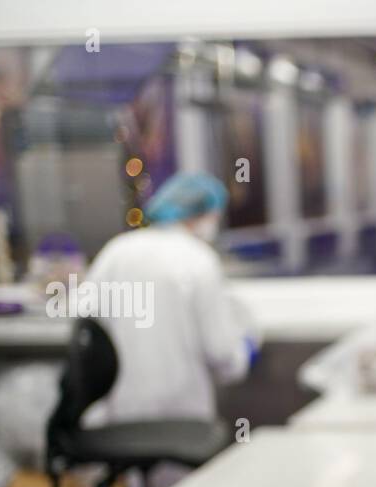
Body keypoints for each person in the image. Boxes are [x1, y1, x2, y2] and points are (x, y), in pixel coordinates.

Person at [82, 170, 254, 428]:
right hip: (179, 416)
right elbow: (222, 355)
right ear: (203, 214)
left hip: (115, 416)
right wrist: (246, 350)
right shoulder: (199, 260)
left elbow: (82, 317)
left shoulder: (117, 250)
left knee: (125, 463)